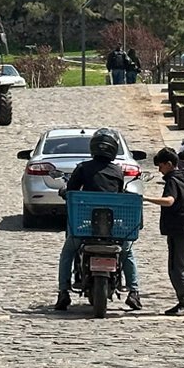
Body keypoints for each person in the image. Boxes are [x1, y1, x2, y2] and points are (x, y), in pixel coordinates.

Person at [55, 129, 142, 312]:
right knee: (127, 253)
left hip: (85, 226)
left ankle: (63, 292)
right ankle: (134, 292)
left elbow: (71, 190)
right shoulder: (117, 171)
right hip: (112, 228)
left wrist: (64, 192)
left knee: (68, 252)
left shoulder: (83, 168)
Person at [143, 147, 184, 316]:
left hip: (180, 228)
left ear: (169, 164)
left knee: (176, 269)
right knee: (182, 267)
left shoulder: (173, 180)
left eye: (160, 166)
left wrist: (145, 198)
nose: (159, 170)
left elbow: (169, 201)